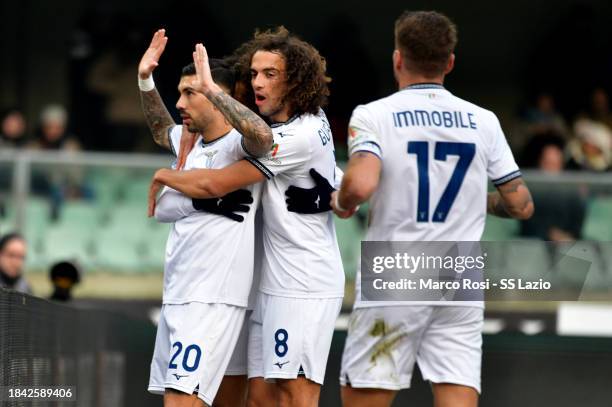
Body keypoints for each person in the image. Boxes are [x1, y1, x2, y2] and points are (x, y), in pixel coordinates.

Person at [330, 11, 534, 407]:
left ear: (397, 59)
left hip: (397, 271)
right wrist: (481, 201)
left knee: (367, 394)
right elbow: (521, 204)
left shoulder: (374, 114)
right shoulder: (484, 120)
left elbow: (359, 183)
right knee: (456, 392)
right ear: (450, 62)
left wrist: (342, 202)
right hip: (460, 275)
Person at [148, 27, 344, 407]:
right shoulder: (294, 117)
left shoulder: (297, 135)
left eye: (270, 74)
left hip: (302, 282)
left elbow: (217, 183)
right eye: (254, 73)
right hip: (266, 284)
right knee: (260, 399)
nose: (258, 82)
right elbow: (178, 131)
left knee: (294, 397)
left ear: (296, 80)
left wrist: (165, 174)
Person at [138, 29, 273, 407]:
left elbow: (264, 138)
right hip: (182, 291)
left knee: (181, 401)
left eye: (189, 93)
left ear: (219, 98)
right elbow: (160, 129)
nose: (180, 102)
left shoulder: (240, 145)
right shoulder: (190, 142)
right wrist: (145, 80)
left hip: (211, 297)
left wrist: (213, 90)